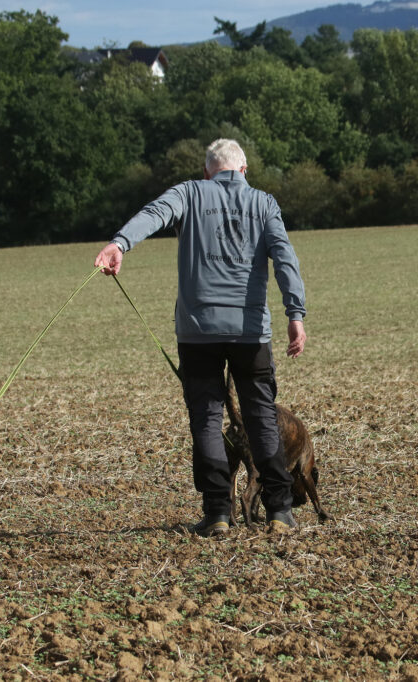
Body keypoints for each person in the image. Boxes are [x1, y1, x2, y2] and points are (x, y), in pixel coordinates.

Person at [94, 139, 307, 535]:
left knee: (207, 421)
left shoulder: (188, 192)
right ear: (243, 171)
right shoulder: (263, 203)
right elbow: (285, 257)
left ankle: (217, 515)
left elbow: (154, 214)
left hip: (197, 332)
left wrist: (118, 244)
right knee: (261, 417)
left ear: (208, 170)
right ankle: (279, 511)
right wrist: (295, 313)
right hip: (251, 333)